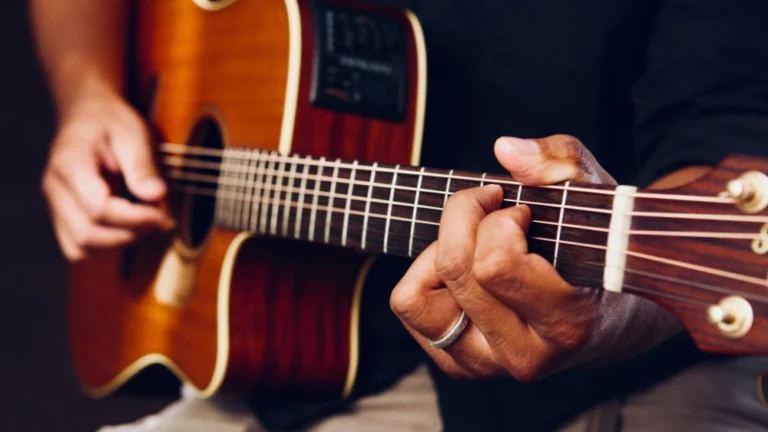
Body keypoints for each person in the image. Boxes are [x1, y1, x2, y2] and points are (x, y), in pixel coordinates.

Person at [31, 0, 768, 431]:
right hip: (269, 365)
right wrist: (87, 95)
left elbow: (728, 141)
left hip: (595, 385)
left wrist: (613, 311)